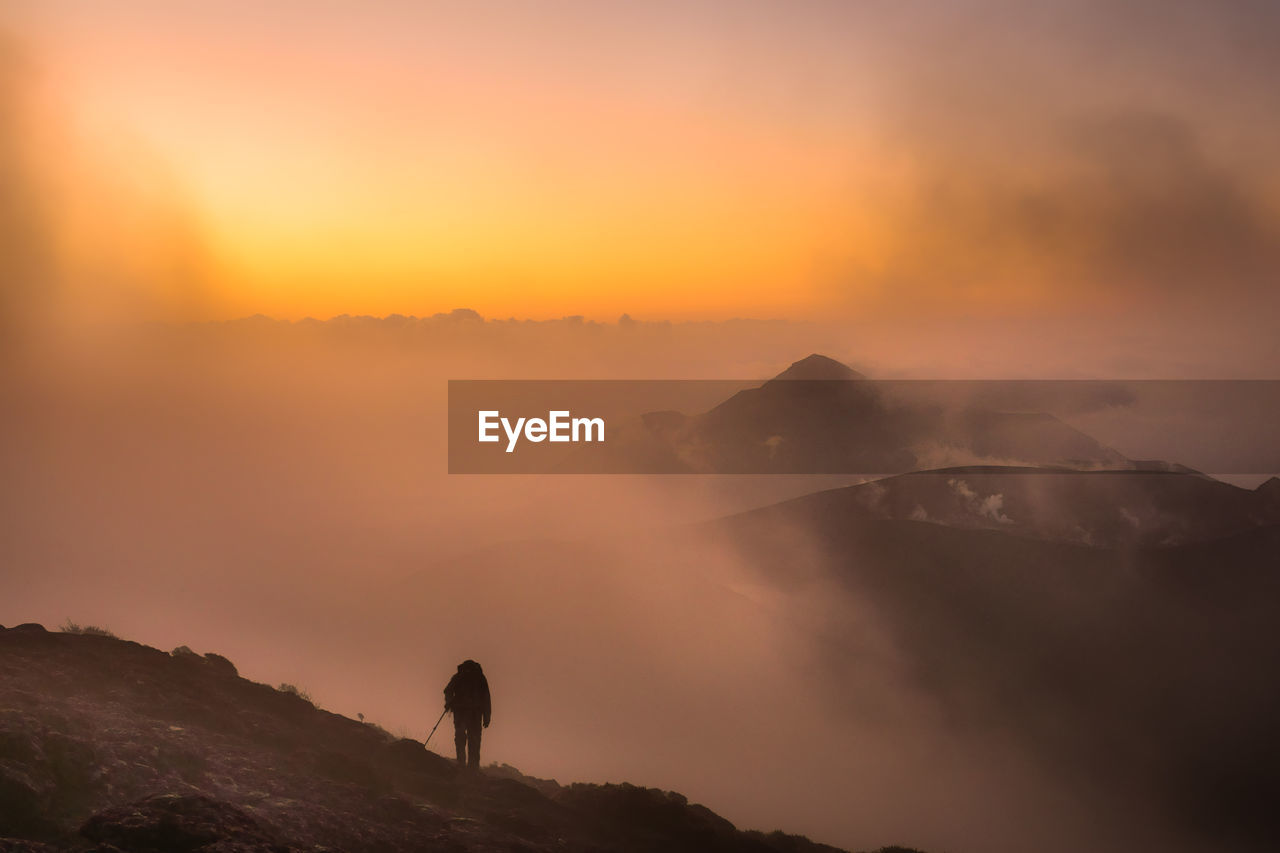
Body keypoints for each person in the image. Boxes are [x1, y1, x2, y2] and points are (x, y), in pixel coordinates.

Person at [443, 659, 491, 769]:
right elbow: (486, 698)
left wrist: (449, 703)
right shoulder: (480, 678)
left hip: (461, 712)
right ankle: (473, 767)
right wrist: (487, 717)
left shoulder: (459, 676)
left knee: (460, 737)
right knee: (474, 740)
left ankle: (461, 763)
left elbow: (447, 690)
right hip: (475, 714)